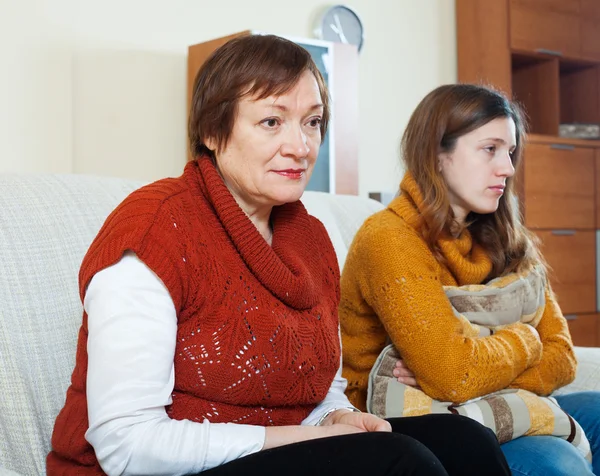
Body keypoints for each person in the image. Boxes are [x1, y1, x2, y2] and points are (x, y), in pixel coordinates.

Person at [47, 36, 510, 476]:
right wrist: (296, 439)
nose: (301, 146)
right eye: (272, 121)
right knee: (397, 462)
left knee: (465, 440)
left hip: (268, 453)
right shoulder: (155, 229)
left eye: (312, 122)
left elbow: (321, 389)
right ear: (212, 129)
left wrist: (337, 420)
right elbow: (125, 444)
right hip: (153, 467)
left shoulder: (310, 237)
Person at [340, 83, 600, 476]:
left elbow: (561, 356)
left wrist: (479, 360)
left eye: (510, 152)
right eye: (489, 149)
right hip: (415, 422)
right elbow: (454, 373)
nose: (508, 168)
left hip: (497, 399)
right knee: (558, 465)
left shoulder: (507, 236)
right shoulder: (389, 239)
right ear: (438, 155)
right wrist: (524, 340)